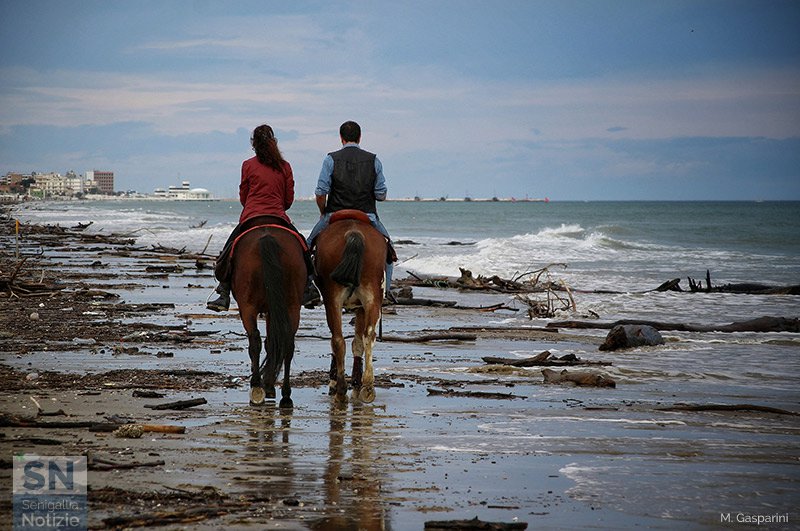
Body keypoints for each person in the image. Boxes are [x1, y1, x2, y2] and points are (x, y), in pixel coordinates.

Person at [207, 124, 306, 312]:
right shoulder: (285, 167)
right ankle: (309, 287)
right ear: (274, 142)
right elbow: (288, 199)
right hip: (278, 216)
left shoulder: (248, 165)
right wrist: (277, 207)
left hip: (251, 217)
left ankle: (224, 292)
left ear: (254, 144)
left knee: (226, 254)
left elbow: (243, 196)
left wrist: (253, 207)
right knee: (302, 248)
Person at [305, 120, 395, 304]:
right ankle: (386, 292)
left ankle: (309, 287)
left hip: (335, 213)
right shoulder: (374, 160)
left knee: (306, 247)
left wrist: (323, 212)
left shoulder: (330, 159)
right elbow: (381, 194)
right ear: (360, 137)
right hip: (367, 215)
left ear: (341, 138)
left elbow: (321, 192)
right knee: (388, 250)